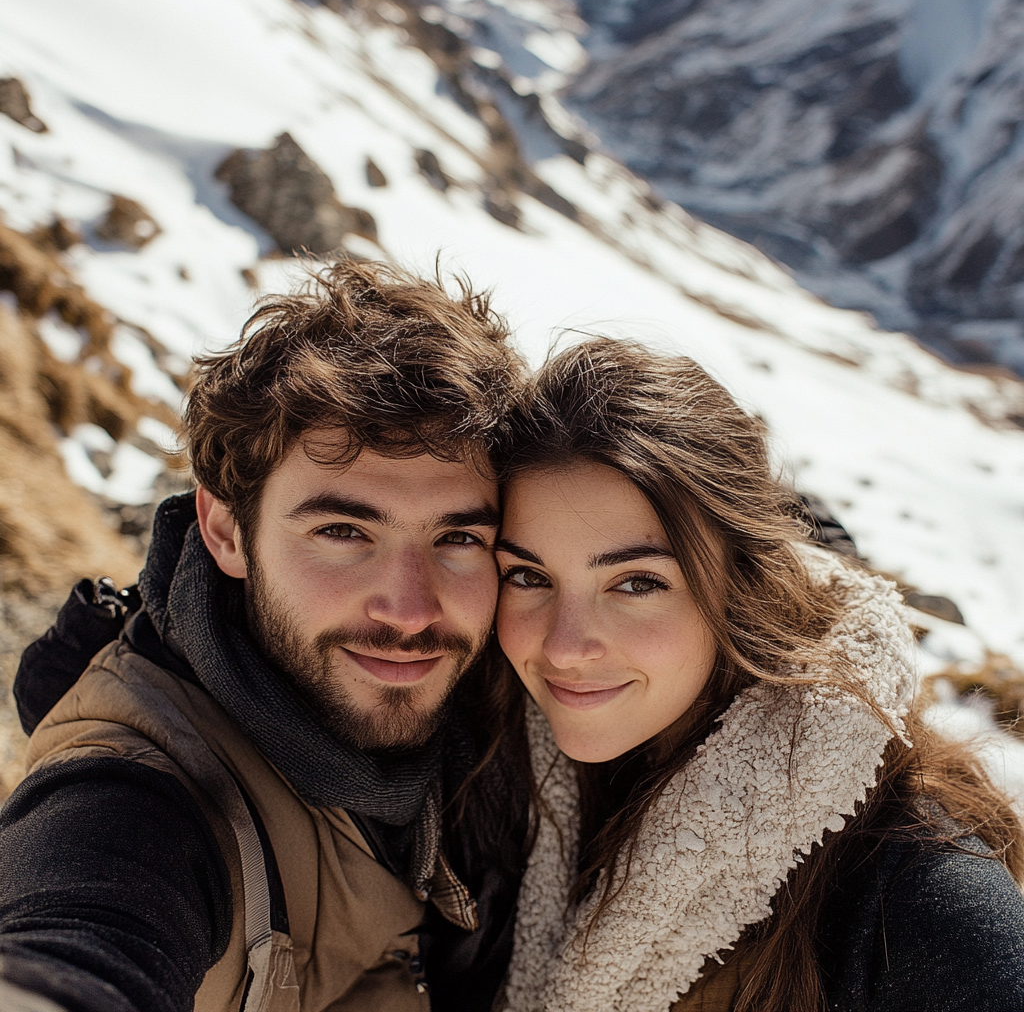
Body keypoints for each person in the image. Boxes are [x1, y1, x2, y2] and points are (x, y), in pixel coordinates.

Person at [0, 260, 531, 1012]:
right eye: (344, 531)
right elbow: (73, 942)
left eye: (458, 539)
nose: (410, 611)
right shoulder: (131, 800)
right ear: (226, 530)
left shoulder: (535, 706)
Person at [491, 338, 1024, 1012]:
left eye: (636, 583)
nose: (565, 648)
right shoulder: (489, 784)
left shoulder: (926, 906)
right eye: (529, 576)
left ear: (743, 587)